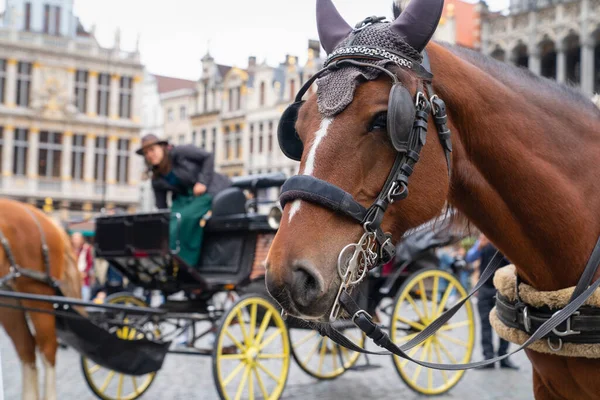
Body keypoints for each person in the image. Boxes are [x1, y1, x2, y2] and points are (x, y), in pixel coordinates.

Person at [136, 134, 231, 267]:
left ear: (162, 147)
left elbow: (208, 157)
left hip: (208, 191)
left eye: (152, 150)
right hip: (185, 199)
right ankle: (168, 259)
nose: (150, 155)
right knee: (173, 220)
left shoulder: (181, 152)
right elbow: (162, 208)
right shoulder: (157, 179)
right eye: (146, 153)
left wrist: (202, 182)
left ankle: (186, 263)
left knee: (186, 218)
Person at [466, 234, 519, 370]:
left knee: (505, 325)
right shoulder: (482, 242)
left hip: (502, 290)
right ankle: (488, 358)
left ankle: (503, 357)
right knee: (485, 324)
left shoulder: (505, 242)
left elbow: (514, 262)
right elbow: (469, 258)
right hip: (484, 289)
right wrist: (479, 246)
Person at [71, 232, 94, 301]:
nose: (75, 241)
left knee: (84, 297)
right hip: (73, 280)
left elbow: (90, 263)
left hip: (83, 280)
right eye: (74, 239)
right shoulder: (70, 250)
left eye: (77, 239)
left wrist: (85, 273)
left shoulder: (86, 249)